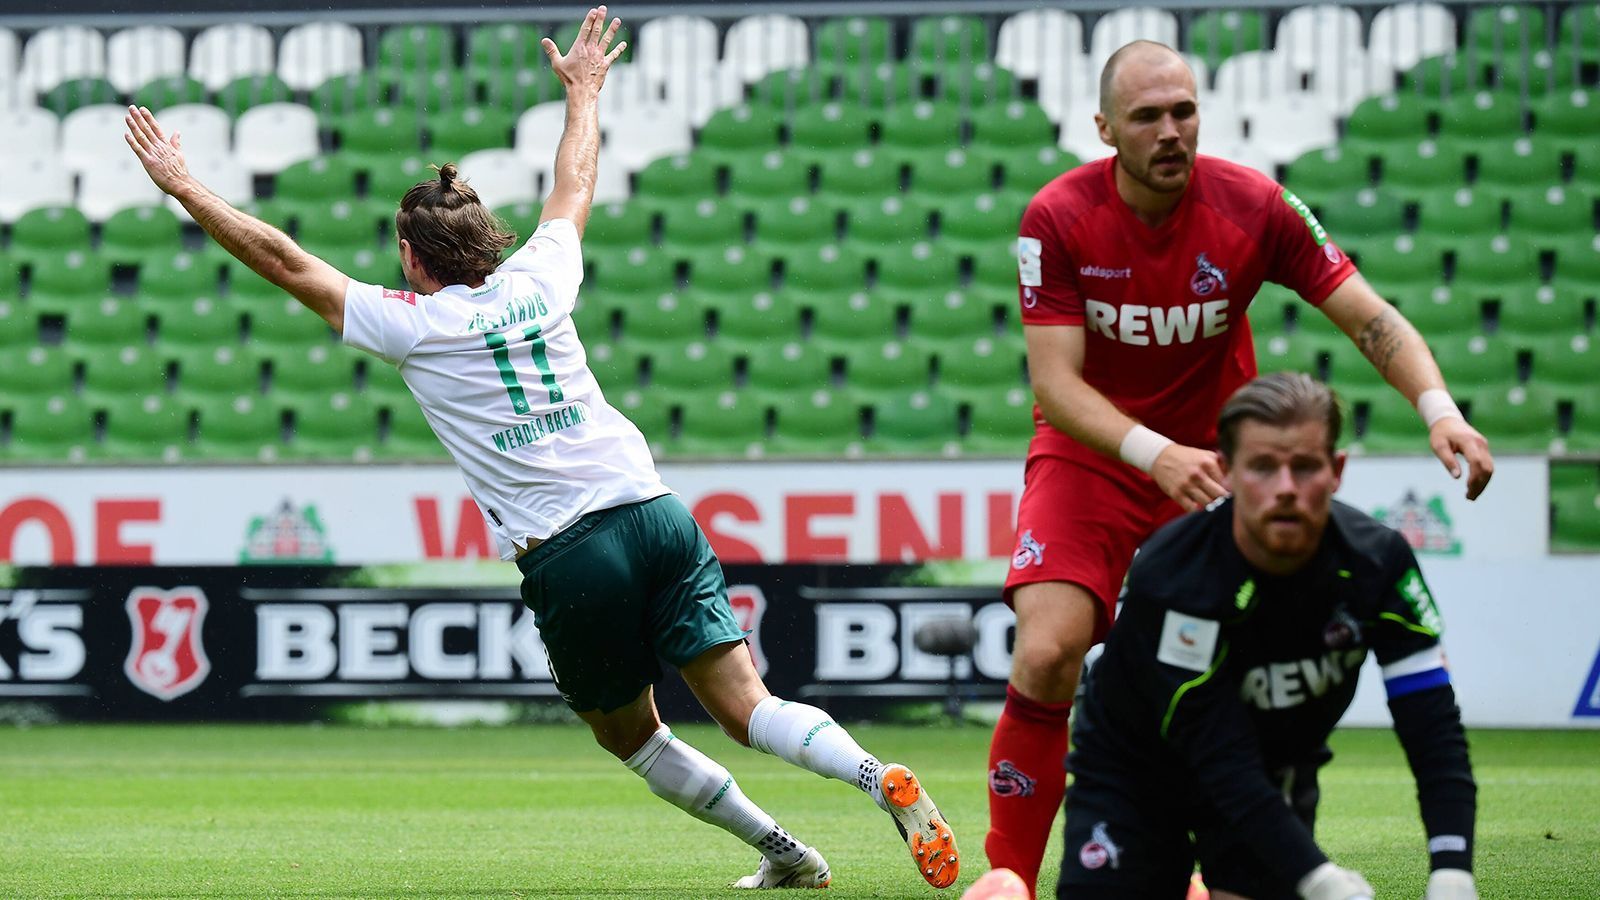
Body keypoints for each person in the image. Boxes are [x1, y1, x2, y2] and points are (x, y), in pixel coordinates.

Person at [123, 7, 959, 892]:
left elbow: (287, 261)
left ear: (412, 257)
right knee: (749, 708)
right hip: (655, 511)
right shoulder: (541, 277)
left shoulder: (413, 325)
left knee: (628, 734)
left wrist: (185, 187)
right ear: (486, 239)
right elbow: (576, 181)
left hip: (572, 549)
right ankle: (875, 775)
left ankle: (784, 851)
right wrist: (586, 92)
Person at [983, 40, 1494, 896]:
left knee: (1222, 674)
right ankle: (1008, 879)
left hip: (1223, 470)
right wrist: (1154, 452)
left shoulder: (1256, 206)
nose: (1171, 131)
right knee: (1048, 651)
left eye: (1183, 111)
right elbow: (1055, 387)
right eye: (1148, 116)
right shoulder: (1057, 217)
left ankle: (1206, 858)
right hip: (1095, 459)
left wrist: (1438, 408)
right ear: (1105, 128)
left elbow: (1371, 318)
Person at [1046, 372, 1478, 900]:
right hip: (1133, 771)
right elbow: (1217, 755)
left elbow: (1431, 724)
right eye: (1263, 467)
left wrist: (1453, 872)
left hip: (1275, 768)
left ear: (1337, 471)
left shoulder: (1378, 563)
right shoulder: (1174, 573)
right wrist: (1322, 880)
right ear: (1226, 472)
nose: (1286, 489)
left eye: (1305, 466)